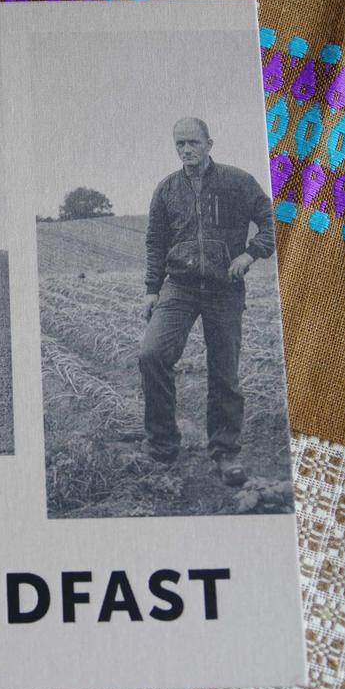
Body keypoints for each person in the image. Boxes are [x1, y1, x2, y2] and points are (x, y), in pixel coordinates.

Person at [139, 117, 275, 486]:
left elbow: (273, 221)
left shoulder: (237, 182)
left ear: (209, 144)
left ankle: (225, 452)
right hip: (179, 288)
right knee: (151, 354)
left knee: (224, 372)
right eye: (180, 144)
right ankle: (163, 446)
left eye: (193, 143)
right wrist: (152, 289)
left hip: (224, 289)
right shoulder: (166, 190)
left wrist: (249, 254)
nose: (186, 150)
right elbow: (155, 243)